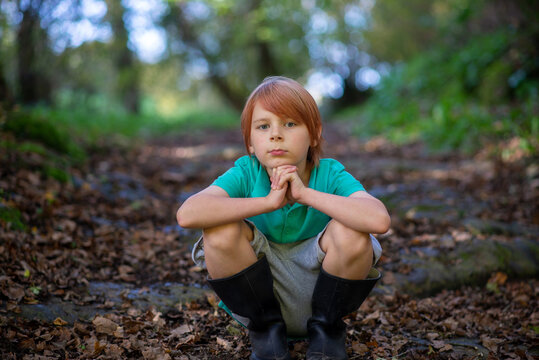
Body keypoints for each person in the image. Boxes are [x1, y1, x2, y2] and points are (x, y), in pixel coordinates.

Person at [176, 76, 390, 360]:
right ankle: (268, 339)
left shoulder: (330, 173)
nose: (276, 134)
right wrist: (266, 202)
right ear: (250, 142)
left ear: (314, 134)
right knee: (219, 228)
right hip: (259, 303)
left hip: (323, 296)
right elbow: (188, 213)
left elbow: (379, 220)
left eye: (290, 124)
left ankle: (326, 337)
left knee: (353, 230)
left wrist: (304, 194)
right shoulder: (247, 171)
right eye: (263, 126)